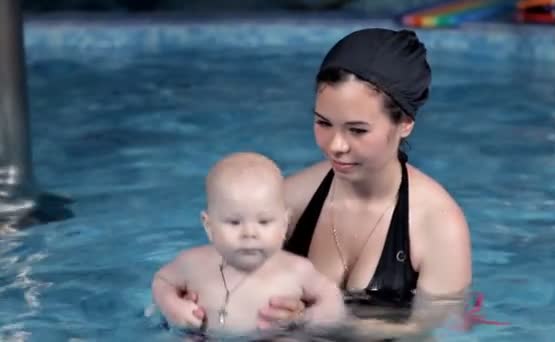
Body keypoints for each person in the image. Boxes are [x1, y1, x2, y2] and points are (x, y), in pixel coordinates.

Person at [156, 27, 472, 339]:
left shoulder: (438, 225)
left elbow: (431, 329)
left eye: (357, 130)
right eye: (323, 123)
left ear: (404, 124)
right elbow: (211, 274)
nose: (336, 145)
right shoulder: (292, 198)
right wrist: (174, 303)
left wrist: (317, 323)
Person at [151, 152, 347, 337]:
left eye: (264, 222)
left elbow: (331, 298)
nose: (249, 233)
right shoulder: (192, 263)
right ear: (209, 226)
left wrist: (305, 319)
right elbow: (163, 281)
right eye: (234, 222)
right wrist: (172, 306)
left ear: (284, 224)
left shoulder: (297, 269)